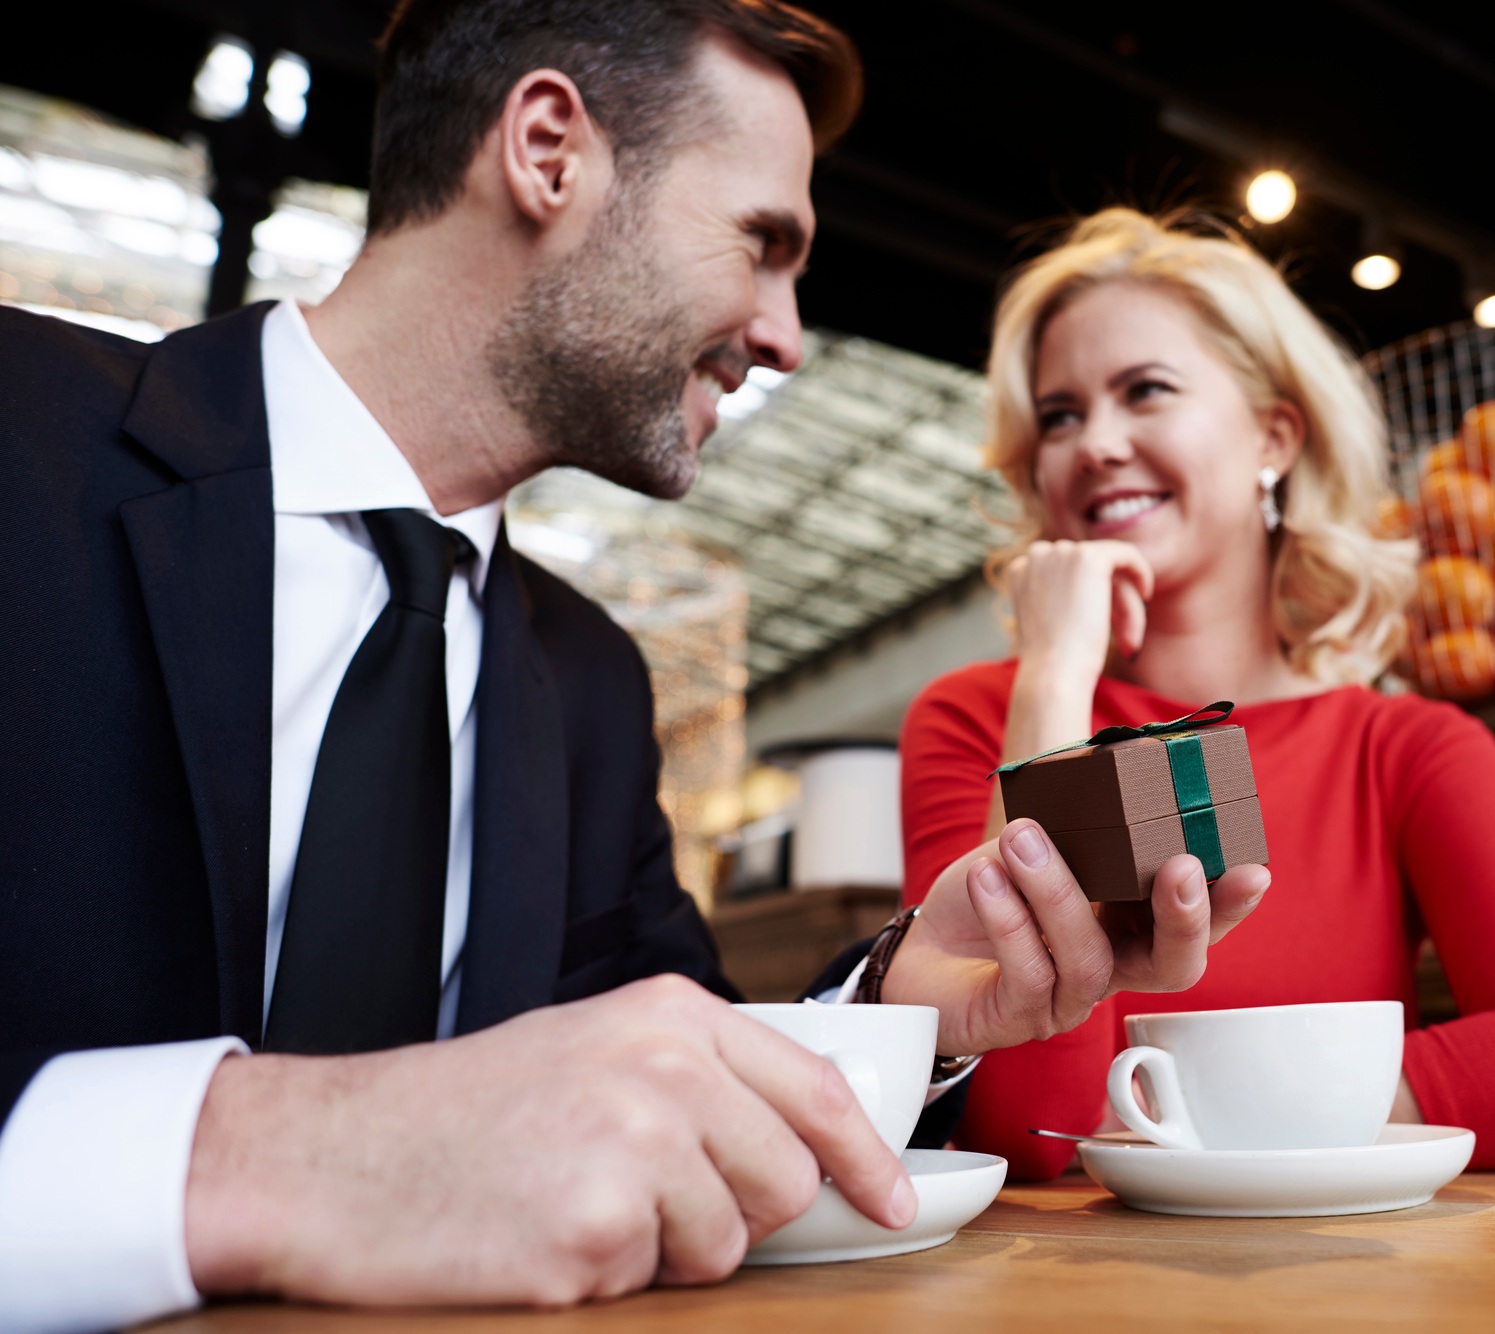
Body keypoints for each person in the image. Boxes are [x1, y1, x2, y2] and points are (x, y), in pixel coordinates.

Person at [0, 8, 1272, 1330]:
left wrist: (907, 995)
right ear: (549, 150)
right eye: (764, 245)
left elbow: (664, 1069)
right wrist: (261, 1155)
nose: (785, 334)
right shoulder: (21, 436)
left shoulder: (589, 683)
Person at [898, 209, 1495, 1179]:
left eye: (1145, 391)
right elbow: (1032, 1125)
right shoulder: (973, 715)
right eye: (1058, 414)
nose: (1093, 443)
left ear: (1273, 436)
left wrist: (1178, 1107)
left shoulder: (1405, 748)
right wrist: (1052, 678)